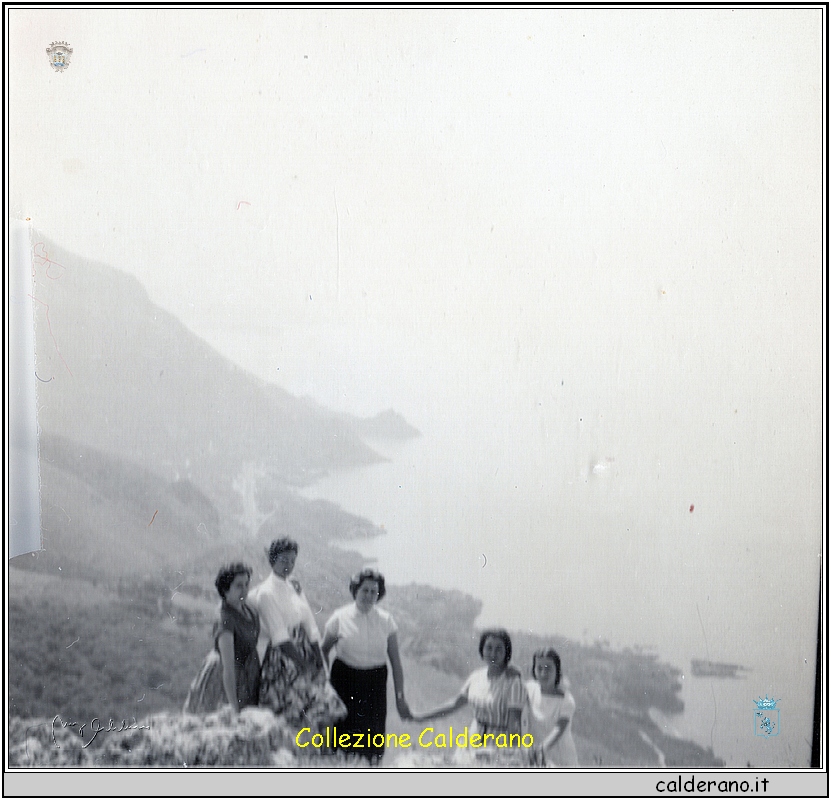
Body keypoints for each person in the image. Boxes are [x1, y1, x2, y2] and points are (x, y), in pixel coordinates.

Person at [246, 537, 346, 728]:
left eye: (292, 561)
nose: (289, 565)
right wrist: (304, 666)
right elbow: (280, 637)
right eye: (283, 560)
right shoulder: (266, 593)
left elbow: (309, 622)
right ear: (272, 560)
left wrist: (319, 659)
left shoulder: (293, 586)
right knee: (295, 711)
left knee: (324, 707)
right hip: (284, 658)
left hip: (305, 651)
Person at [321, 568, 411, 763]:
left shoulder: (386, 621)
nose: (369, 595)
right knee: (341, 744)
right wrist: (325, 684)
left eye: (374, 592)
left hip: (374, 685)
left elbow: (396, 663)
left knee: (372, 749)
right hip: (344, 683)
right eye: (365, 590)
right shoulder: (339, 617)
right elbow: (323, 651)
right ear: (355, 590)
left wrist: (400, 698)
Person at [410, 628, 527, 764]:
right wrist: (420, 717)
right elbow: (454, 704)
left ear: (506, 652)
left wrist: (511, 756)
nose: (493, 653)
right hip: (472, 740)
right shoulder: (476, 677)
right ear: (482, 650)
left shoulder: (513, 682)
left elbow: (514, 724)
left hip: (498, 745)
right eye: (489, 648)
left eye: (499, 649)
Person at [183, 563, 261, 715]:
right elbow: (228, 668)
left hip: (248, 671)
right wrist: (234, 708)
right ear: (225, 589)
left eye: (246, 584)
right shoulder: (225, 619)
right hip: (225, 677)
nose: (245, 589)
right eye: (239, 586)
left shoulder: (248, 609)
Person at [524, 647, 579, 767]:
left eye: (548, 668)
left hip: (561, 757)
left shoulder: (566, 700)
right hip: (536, 755)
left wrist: (541, 749)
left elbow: (558, 730)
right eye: (539, 668)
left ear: (557, 670)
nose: (543, 673)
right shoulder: (529, 689)